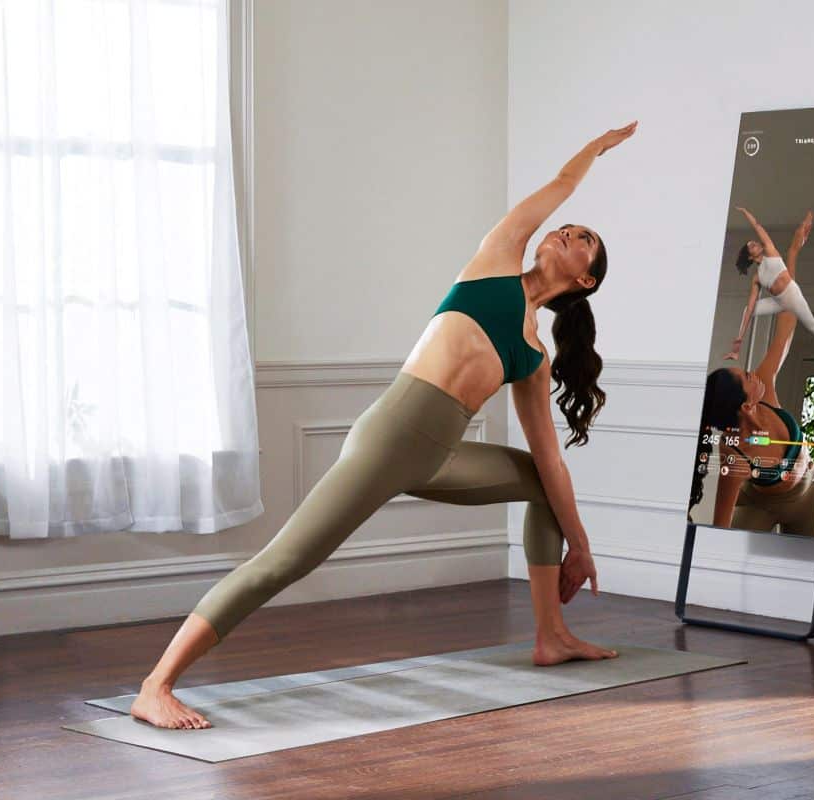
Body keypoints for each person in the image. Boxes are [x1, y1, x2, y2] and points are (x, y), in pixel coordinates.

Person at [130, 121, 639, 729]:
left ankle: (552, 636)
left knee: (537, 479)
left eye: (582, 238)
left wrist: (580, 547)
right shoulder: (498, 256)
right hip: (387, 441)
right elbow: (559, 183)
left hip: (438, 456)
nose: (566, 229)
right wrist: (598, 147)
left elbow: (553, 462)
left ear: (584, 280)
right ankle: (155, 686)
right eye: (567, 225)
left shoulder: (534, 357)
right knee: (282, 563)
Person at [691, 215, 814, 538]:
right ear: (743, 405)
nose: (754, 374)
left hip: (807, 499)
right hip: (761, 508)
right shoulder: (735, 451)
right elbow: (719, 529)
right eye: (746, 377)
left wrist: (792, 253)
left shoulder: (764, 385)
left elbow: (789, 320)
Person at [722, 208, 814, 375]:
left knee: (813, 327)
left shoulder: (770, 250)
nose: (755, 243)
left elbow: (757, 226)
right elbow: (750, 307)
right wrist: (739, 340)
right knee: (747, 310)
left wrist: (745, 213)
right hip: (779, 302)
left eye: (754, 242)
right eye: (752, 246)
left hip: (793, 296)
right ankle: (736, 350)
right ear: (750, 257)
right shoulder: (757, 277)